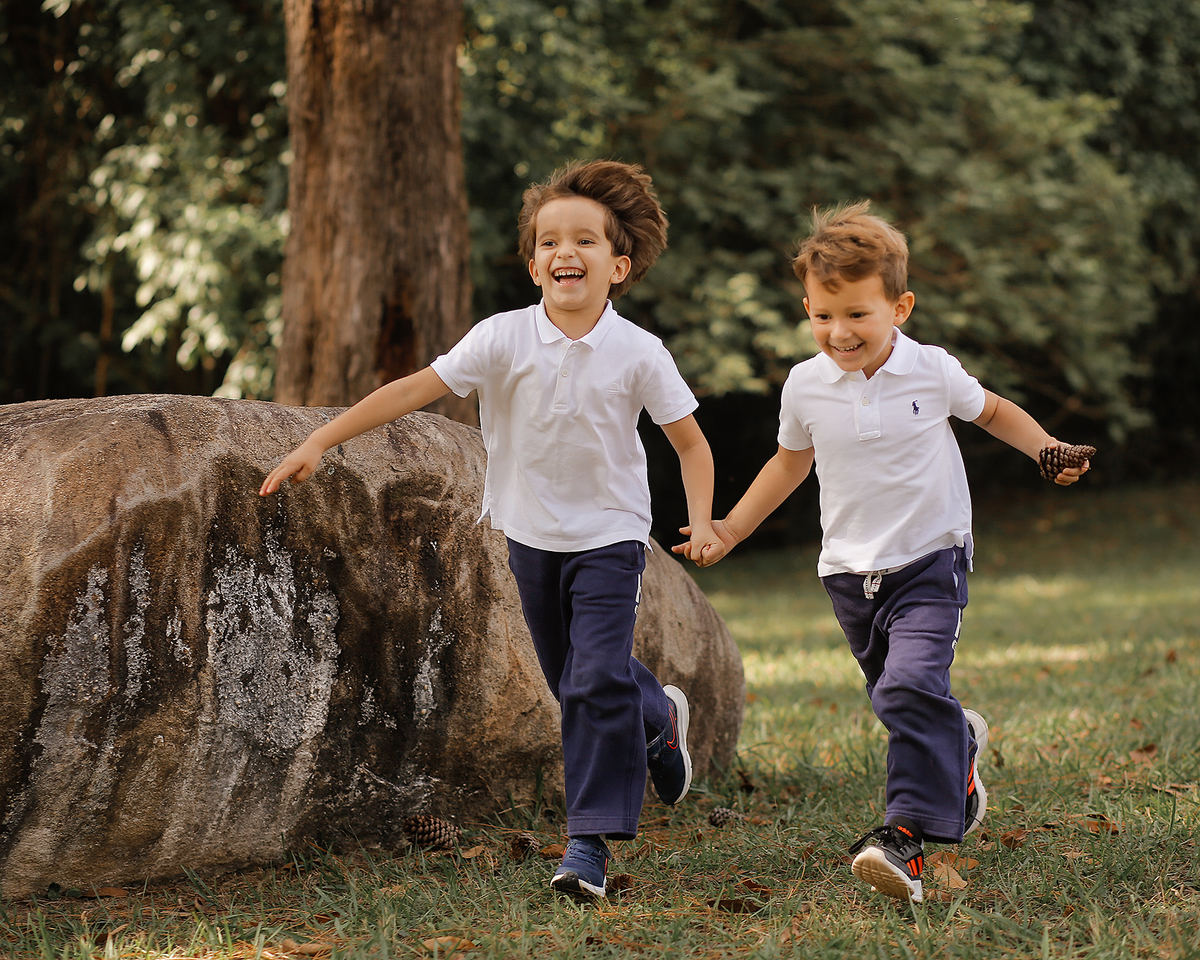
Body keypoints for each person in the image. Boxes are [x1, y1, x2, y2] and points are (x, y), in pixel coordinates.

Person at [261, 160, 723, 900]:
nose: (564, 251)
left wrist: (700, 521)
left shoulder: (639, 351)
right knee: (579, 681)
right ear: (535, 261)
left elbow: (691, 444)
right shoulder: (502, 338)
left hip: (609, 535)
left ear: (619, 264)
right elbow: (414, 389)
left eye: (585, 240)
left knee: (589, 682)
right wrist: (323, 439)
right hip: (529, 535)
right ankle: (658, 721)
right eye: (548, 241)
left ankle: (587, 849)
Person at [675, 200, 1091, 903]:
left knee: (906, 689)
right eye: (822, 316)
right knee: (901, 699)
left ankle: (906, 839)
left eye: (857, 315)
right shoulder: (805, 384)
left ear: (899, 307)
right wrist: (731, 528)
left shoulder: (930, 370)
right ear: (808, 308)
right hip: (849, 571)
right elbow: (787, 465)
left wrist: (1046, 447)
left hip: (931, 557)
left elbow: (991, 411)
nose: (839, 333)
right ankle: (954, 748)